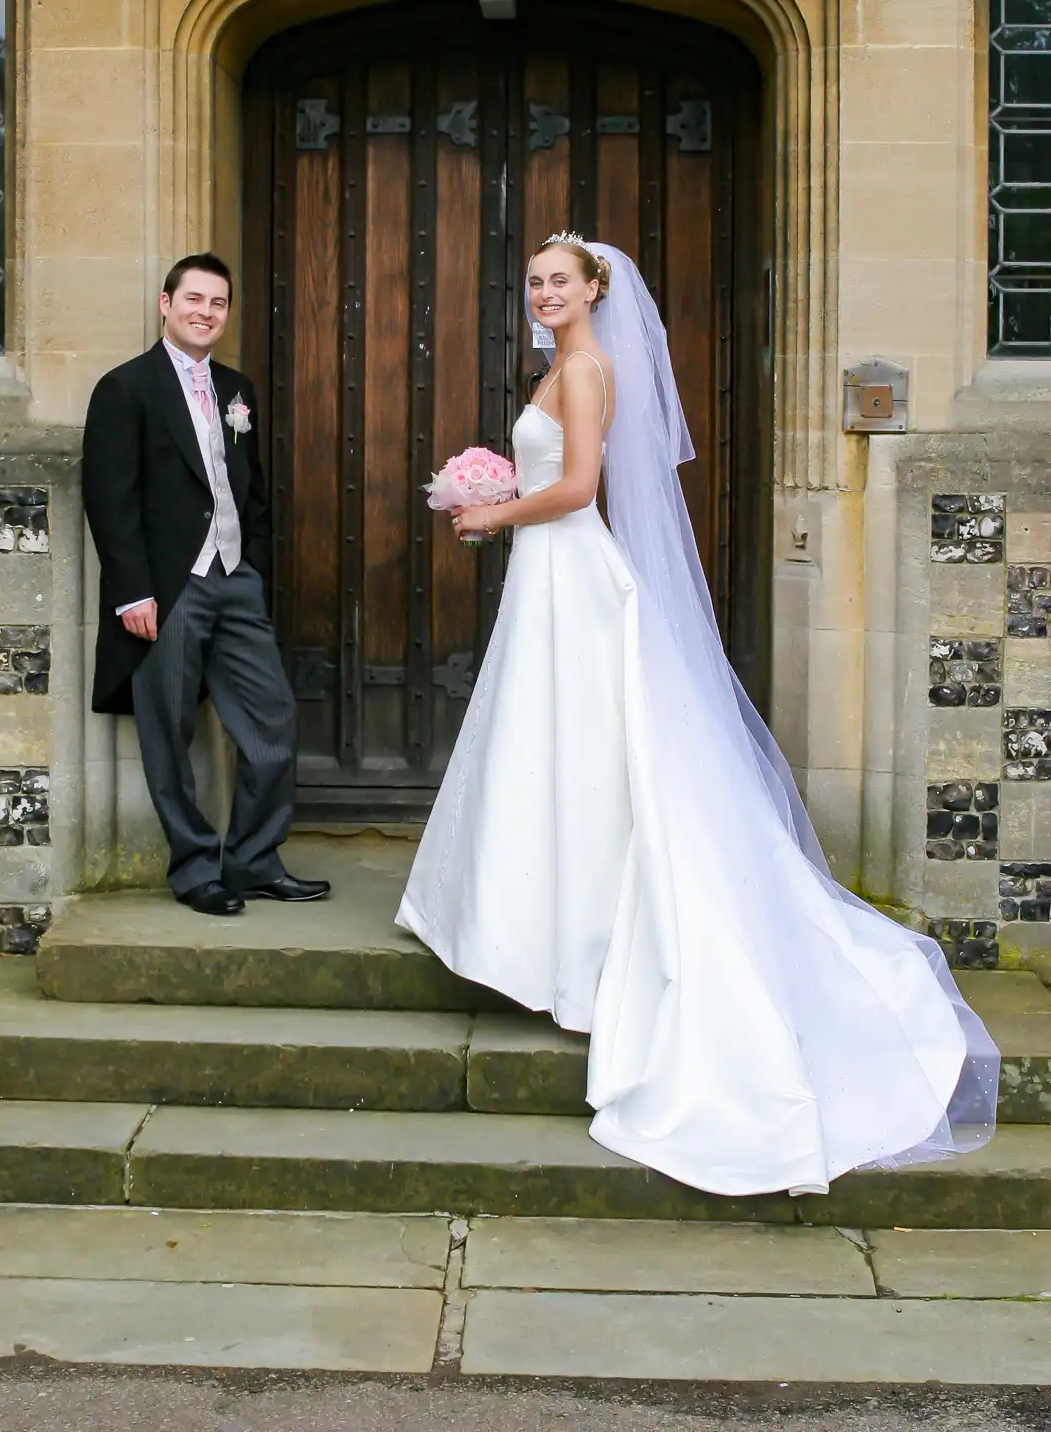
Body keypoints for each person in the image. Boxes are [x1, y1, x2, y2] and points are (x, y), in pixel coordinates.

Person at [396, 233, 999, 1198]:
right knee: (550, 751)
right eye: (536, 282)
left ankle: (574, 946)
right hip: (548, 577)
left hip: (571, 572)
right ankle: (535, 929)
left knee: (579, 753)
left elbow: (580, 489)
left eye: (561, 281)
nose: (545, 294)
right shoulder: (560, 369)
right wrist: (505, 493)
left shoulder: (584, 371)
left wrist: (493, 512)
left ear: (595, 289)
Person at [82, 253, 329, 916]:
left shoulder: (236, 388)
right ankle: (194, 869)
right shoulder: (125, 388)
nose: (206, 312)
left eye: (218, 303)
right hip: (168, 588)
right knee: (168, 732)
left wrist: (253, 568)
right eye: (194, 298)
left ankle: (253, 860)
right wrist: (132, 591)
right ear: (166, 304)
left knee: (273, 717)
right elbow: (109, 498)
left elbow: (249, 489)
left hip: (234, 579)